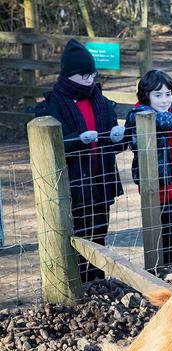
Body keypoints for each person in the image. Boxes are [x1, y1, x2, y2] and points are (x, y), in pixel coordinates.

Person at [33, 39, 126, 283]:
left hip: (100, 182)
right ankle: (78, 284)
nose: (89, 80)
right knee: (78, 236)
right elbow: (50, 145)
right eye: (84, 75)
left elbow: (113, 139)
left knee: (99, 234)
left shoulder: (101, 101)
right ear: (69, 75)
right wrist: (78, 140)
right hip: (73, 186)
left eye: (92, 74)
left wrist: (117, 137)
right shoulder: (53, 104)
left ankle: (98, 283)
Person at [125, 69, 172, 268]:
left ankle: (170, 266)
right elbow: (162, 120)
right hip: (155, 185)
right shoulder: (139, 113)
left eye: (168, 94)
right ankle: (156, 268)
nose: (164, 100)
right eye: (157, 95)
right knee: (157, 232)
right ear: (146, 96)